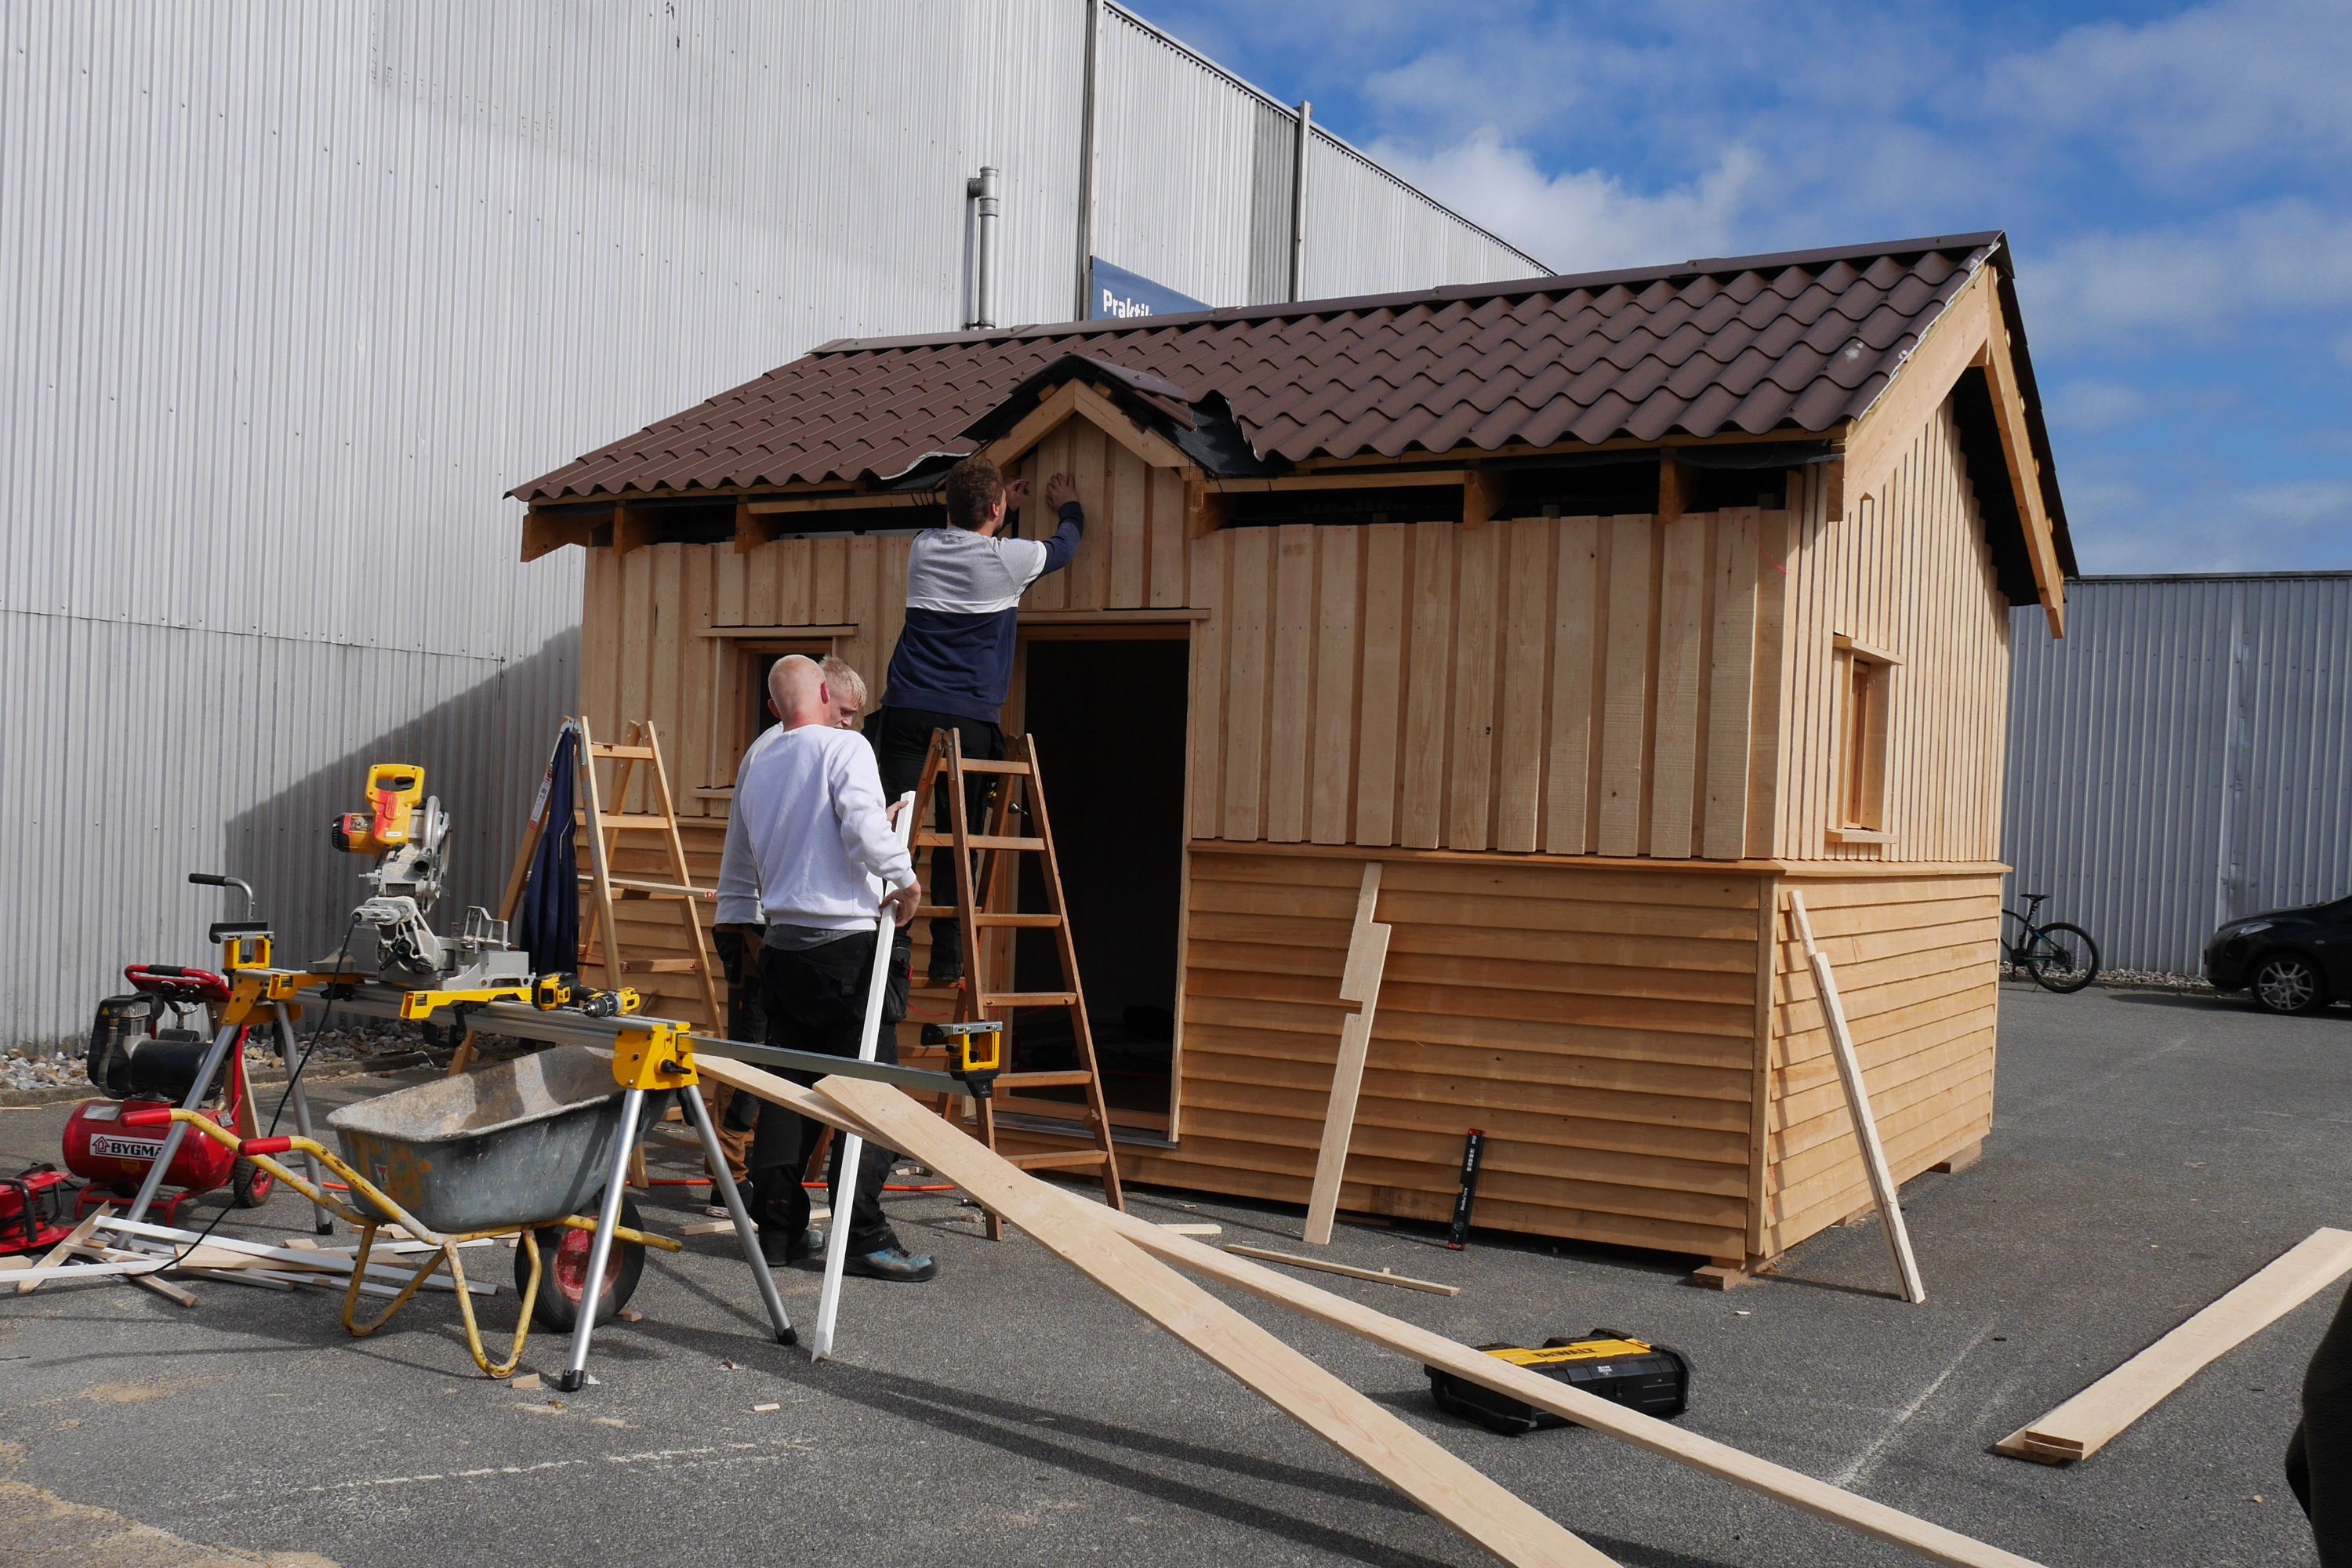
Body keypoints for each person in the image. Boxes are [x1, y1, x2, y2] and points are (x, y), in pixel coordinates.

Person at [714, 655, 934, 1281]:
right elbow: (860, 824)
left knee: (787, 1092)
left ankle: (780, 1228)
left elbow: (803, 836)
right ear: (820, 691)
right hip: (846, 951)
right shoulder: (848, 750)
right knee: (873, 1095)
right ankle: (861, 1235)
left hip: (784, 946)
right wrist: (903, 876)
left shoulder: (760, 764)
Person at [869, 456, 1083, 984]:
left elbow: (970, 532)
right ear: (996, 508)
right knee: (958, 834)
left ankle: (890, 951)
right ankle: (949, 958)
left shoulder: (923, 546)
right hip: (968, 719)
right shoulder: (1012, 560)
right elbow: (1067, 546)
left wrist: (997, 504)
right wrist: (1068, 506)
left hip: (907, 710)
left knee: (899, 831)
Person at [709, 652, 884, 1189]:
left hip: (774, 921)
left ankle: (761, 1183)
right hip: (755, 919)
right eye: (846, 710)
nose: (850, 724)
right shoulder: (780, 750)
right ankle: (731, 1176)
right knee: (756, 1053)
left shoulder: (804, 749)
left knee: (775, 1057)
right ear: (820, 696)